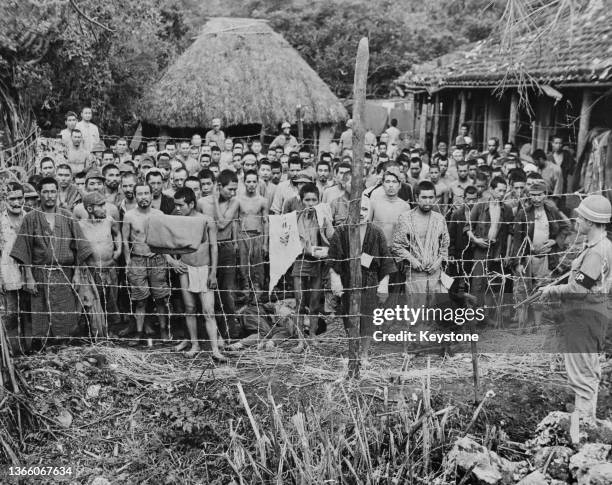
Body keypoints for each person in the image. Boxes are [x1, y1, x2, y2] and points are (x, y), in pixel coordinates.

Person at [536, 195, 612, 425]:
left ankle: (584, 426)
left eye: (580, 217)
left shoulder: (596, 252)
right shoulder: (603, 246)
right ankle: (585, 421)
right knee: (588, 370)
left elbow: (578, 288)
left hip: (583, 316)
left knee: (582, 374)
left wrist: (552, 290)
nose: (577, 220)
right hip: (592, 315)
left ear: (590, 221)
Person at [11, 177, 93, 344]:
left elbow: (80, 247)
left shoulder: (67, 216)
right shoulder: (31, 218)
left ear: (57, 193)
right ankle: (43, 349)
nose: (49, 195)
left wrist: (77, 273)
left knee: (65, 315)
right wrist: (29, 277)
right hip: (40, 275)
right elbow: (24, 248)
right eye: (45, 191)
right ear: (39, 194)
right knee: (41, 315)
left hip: (65, 275)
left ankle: (64, 348)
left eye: (53, 191)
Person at [329, 197, 395, 361]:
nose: (360, 213)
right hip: (347, 280)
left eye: (365, 209)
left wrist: (384, 284)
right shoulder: (341, 231)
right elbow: (333, 260)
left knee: (368, 317)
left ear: (370, 211)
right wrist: (335, 279)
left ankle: (364, 353)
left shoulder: (376, 232)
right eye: (357, 209)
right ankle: (353, 350)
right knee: (348, 316)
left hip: (369, 280)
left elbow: (386, 261)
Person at [169, 187, 225, 360]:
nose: (177, 209)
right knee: (190, 308)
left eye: (181, 205)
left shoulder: (206, 220)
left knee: (208, 310)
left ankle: (215, 349)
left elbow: (214, 247)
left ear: (191, 204)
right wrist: (172, 261)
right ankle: (195, 344)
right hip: (185, 269)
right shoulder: (174, 220)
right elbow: (160, 241)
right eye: (175, 205)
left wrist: (213, 272)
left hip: (204, 268)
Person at [512, 180, 570, 327]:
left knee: (540, 289)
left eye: (539, 195)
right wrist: (517, 262)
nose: (536, 199)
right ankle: (522, 325)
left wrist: (555, 241)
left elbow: (565, 227)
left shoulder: (551, 211)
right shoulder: (523, 213)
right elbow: (517, 240)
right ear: (529, 196)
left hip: (545, 259)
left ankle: (537, 326)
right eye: (532, 195)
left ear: (545, 195)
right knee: (522, 290)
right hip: (528, 258)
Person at [391, 181, 450, 324]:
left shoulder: (439, 219)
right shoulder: (406, 218)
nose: (428, 201)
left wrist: (438, 262)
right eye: (424, 197)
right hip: (415, 272)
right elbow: (396, 245)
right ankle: (414, 342)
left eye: (431, 197)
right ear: (416, 198)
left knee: (435, 309)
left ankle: (432, 342)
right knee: (415, 309)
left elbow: (445, 244)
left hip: (435, 272)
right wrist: (413, 261)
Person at [122, 183, 173, 344]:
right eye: (140, 194)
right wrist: (128, 262)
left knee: (160, 298)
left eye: (146, 193)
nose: (143, 197)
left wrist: (166, 259)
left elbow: (165, 239)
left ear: (152, 195)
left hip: (157, 259)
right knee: (140, 299)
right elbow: (125, 240)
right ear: (135, 196)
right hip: (137, 259)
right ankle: (138, 332)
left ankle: (164, 330)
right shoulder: (129, 216)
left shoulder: (159, 214)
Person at [291, 183, 334, 352]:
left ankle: (313, 336)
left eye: (313, 200)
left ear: (318, 200)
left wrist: (327, 220)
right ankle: (300, 341)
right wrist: (305, 249)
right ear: (301, 201)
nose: (310, 203)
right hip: (300, 262)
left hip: (317, 263)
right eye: (307, 200)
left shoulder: (322, 217)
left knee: (315, 302)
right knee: (300, 302)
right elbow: (289, 241)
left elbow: (332, 237)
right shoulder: (295, 217)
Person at [199, 169, 241, 339]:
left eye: (235, 189)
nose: (232, 193)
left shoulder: (234, 202)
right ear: (219, 186)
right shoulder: (202, 202)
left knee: (227, 292)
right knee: (209, 292)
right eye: (229, 189)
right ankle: (212, 334)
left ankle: (230, 332)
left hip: (226, 248)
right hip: (208, 249)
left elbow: (223, 224)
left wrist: (216, 202)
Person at [466, 176, 514, 323]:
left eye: (504, 191)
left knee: (494, 284)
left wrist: (507, 254)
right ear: (491, 189)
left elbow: (510, 233)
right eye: (499, 190)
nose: (502, 193)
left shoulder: (506, 209)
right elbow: (467, 226)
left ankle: (489, 316)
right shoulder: (480, 206)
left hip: (497, 251)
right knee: (478, 283)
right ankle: (475, 318)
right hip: (480, 249)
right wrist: (476, 240)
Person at [79, 191, 122, 331]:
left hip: (110, 269)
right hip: (92, 272)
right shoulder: (81, 226)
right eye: (101, 206)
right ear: (90, 209)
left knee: (111, 301)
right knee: (95, 303)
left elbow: (117, 233)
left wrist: (119, 250)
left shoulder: (109, 220)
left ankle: (111, 331)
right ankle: (96, 332)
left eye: (105, 205)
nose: (105, 208)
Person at [0, 182, 26, 351]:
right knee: (11, 312)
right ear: (4, 199)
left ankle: (29, 347)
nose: (17, 203)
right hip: (8, 271)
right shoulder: (1, 221)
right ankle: (12, 349)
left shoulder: (29, 217)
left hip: (30, 271)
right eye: (12, 199)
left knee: (29, 311)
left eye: (20, 198)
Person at [237, 170, 269, 299]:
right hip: (243, 235)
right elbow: (234, 222)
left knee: (258, 264)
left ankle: (257, 289)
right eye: (248, 181)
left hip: (257, 235)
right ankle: (245, 289)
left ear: (258, 183)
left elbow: (266, 222)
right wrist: (235, 241)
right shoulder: (238, 200)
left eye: (254, 181)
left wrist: (265, 243)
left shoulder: (263, 201)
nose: (251, 184)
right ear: (244, 182)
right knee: (243, 264)